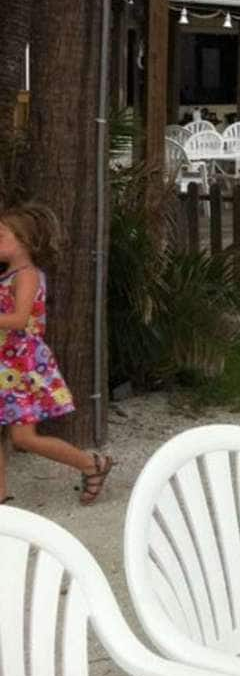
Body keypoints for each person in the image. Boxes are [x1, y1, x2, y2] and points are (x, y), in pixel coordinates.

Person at [0, 204, 114, 506]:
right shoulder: (9, 275)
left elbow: (20, 319)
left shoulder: (26, 276)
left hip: (20, 366)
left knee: (23, 437)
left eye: (1, 236)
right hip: (5, 363)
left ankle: (91, 464)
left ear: (24, 241)